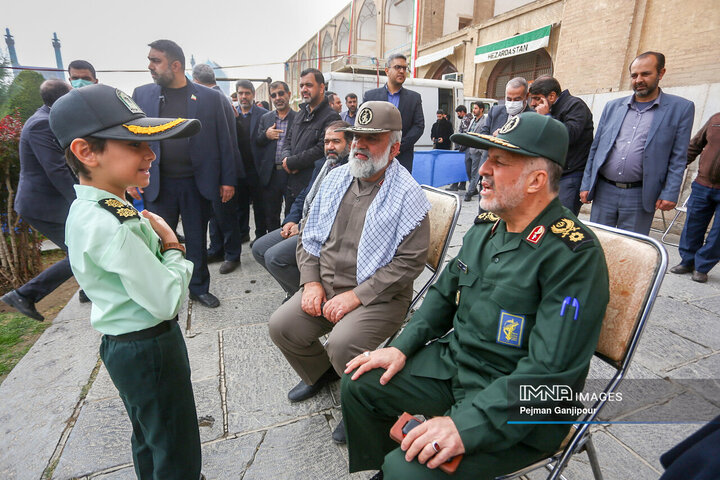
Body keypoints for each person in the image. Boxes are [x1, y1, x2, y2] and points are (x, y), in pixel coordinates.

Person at [341, 112, 609, 480]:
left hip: (518, 406)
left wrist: (465, 427)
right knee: (361, 385)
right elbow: (441, 294)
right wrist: (401, 347)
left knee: (410, 472)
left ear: (536, 180)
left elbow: (550, 372)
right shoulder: (486, 227)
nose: (482, 169)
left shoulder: (572, 255)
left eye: (499, 162)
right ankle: (389, 468)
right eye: (486, 158)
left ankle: (401, 470)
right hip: (456, 366)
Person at [49, 83, 203, 479]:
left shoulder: (90, 208)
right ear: (86, 152)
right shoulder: (114, 224)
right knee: (176, 445)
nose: (151, 153)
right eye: (133, 143)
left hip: (125, 345)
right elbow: (166, 299)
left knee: (151, 436)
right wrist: (172, 245)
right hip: (150, 346)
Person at [269, 101, 430, 445]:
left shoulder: (407, 194)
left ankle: (357, 403)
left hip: (377, 297)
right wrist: (310, 281)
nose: (358, 144)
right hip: (325, 284)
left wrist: (355, 296)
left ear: (395, 147)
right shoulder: (337, 179)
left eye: (371, 139)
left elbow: (409, 264)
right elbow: (309, 235)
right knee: (281, 326)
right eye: (356, 135)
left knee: (342, 344)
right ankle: (322, 374)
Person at [132, 39, 237, 308]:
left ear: (175, 65)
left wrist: (227, 180)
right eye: (150, 60)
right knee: (157, 240)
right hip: (158, 184)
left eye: (156, 61)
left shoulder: (210, 98)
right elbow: (131, 141)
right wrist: (131, 178)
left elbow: (225, 140)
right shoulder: (142, 95)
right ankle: (163, 290)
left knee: (196, 238)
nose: (150, 66)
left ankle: (199, 288)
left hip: (195, 184)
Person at [580, 51, 695, 235]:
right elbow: (596, 148)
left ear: (661, 73)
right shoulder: (613, 107)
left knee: (631, 248)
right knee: (599, 244)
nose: (638, 80)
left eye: (645, 74)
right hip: (604, 192)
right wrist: (587, 183)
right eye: (634, 75)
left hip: (640, 195)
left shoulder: (680, 109)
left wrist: (670, 192)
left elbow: (678, 156)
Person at [1, 79, 81, 321]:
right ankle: (24, 295)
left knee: (81, 247)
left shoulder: (47, 118)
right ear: (63, 100)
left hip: (48, 202)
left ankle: (89, 290)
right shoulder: (41, 125)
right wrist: (82, 201)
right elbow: (56, 169)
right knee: (80, 251)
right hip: (43, 205)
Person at [253, 121, 351, 300]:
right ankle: (295, 291)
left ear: (350, 144)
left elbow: (333, 213)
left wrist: (301, 226)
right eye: (326, 141)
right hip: (302, 223)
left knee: (274, 258)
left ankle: (312, 296)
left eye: (336, 142)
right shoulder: (323, 164)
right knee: (259, 248)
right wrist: (290, 220)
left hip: (321, 233)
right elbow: (304, 196)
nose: (329, 146)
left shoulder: (349, 171)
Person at [192, 64, 244, 275]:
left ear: (195, 81)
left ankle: (232, 255)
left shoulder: (215, 99)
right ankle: (217, 249)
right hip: (213, 171)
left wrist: (227, 179)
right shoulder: (217, 96)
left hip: (222, 171)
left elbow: (227, 142)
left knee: (226, 215)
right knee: (216, 214)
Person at [530, 75, 593, 215]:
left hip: (570, 176)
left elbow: (569, 135)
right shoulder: (547, 110)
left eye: (537, 98)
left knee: (561, 219)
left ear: (551, 96)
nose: (533, 103)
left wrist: (547, 118)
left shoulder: (575, 105)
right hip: (551, 174)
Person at [669, 112, 720, 283]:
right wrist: (678, 166)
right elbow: (695, 145)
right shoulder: (716, 119)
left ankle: (702, 266)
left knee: (718, 233)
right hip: (702, 185)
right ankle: (687, 261)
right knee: (692, 225)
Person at [281, 68, 341, 210]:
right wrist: (287, 160)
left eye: (308, 85)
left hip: (311, 188)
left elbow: (321, 149)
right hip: (292, 186)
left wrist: (293, 163)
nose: (304, 89)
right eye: (301, 86)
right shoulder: (300, 114)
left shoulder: (331, 117)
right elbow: (288, 141)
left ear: (321, 88)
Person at [363, 54, 424, 172]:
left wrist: (399, 146)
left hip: (402, 156)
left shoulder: (414, 98)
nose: (402, 71)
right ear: (387, 71)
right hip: (376, 155)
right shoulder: (371, 96)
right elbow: (365, 125)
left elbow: (419, 126)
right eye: (397, 67)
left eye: (404, 68)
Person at [256, 81, 298, 226]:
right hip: (271, 174)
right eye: (274, 95)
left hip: (291, 173)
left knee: (291, 213)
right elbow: (257, 142)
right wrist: (266, 135)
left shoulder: (298, 118)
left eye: (281, 93)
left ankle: (286, 245)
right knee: (271, 214)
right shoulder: (266, 118)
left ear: (289, 94)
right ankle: (272, 244)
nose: (278, 98)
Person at [233, 80, 269, 246]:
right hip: (239, 168)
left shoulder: (263, 114)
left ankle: (260, 235)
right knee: (241, 205)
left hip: (257, 168)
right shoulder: (232, 114)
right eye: (241, 93)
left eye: (247, 93)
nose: (244, 96)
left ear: (253, 95)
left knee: (260, 205)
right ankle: (242, 233)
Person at [463, 102, 486, 202]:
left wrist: (481, 150)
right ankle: (474, 189)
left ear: (481, 109)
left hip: (477, 150)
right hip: (469, 148)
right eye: (473, 108)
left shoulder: (485, 121)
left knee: (474, 172)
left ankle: (470, 192)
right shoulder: (472, 120)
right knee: (468, 170)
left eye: (476, 108)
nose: (474, 110)